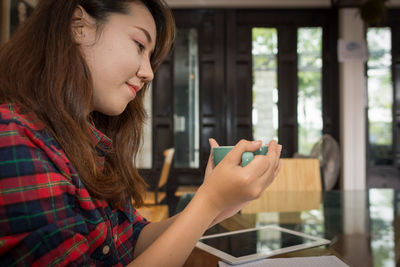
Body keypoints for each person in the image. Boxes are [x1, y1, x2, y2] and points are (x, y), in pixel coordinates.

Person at [0, 0, 282, 265]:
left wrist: (217, 204)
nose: (149, 72)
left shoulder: (88, 139)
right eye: (139, 45)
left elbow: (132, 240)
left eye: (151, 58)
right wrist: (209, 202)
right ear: (79, 26)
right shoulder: (13, 137)